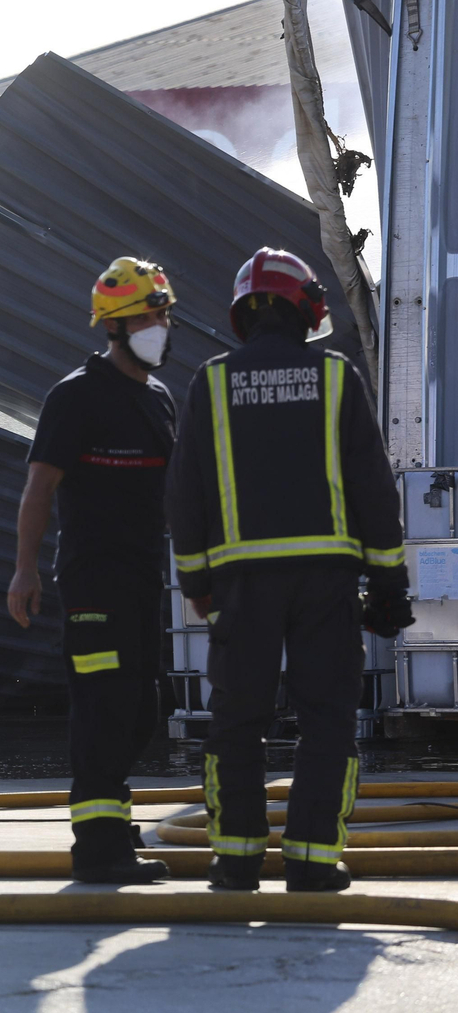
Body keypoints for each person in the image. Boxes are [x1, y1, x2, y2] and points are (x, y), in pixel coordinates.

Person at [166, 247, 413, 893]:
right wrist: (389, 583)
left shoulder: (211, 383)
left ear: (245, 314)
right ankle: (311, 859)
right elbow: (373, 490)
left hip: (240, 586)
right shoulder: (334, 377)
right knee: (328, 718)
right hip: (324, 583)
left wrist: (197, 583)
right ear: (305, 309)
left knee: (237, 720)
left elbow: (184, 496)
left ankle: (237, 860)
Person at [7, 257, 178, 885]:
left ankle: (113, 835)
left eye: (164, 314)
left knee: (141, 711)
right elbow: (39, 488)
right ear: (116, 325)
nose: (161, 325)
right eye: (150, 315)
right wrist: (25, 570)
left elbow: (174, 497)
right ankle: (100, 849)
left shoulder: (159, 400)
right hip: (92, 585)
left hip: (142, 583)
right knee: (105, 708)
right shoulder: (75, 395)